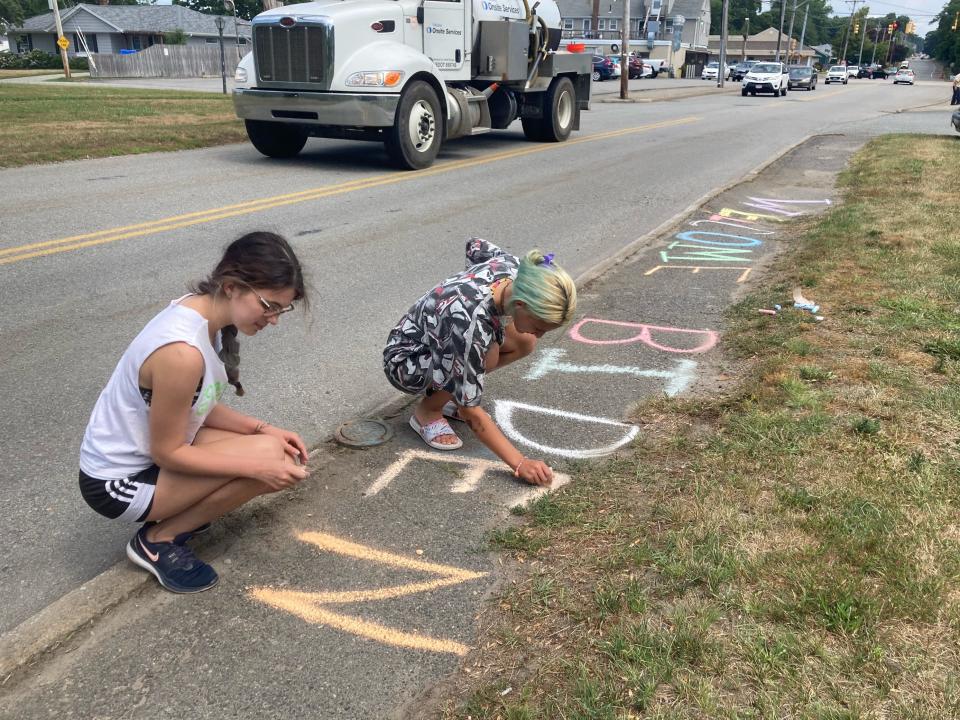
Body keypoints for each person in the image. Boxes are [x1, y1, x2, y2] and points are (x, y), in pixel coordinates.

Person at [79, 231, 310, 594]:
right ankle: (157, 540)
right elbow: (167, 452)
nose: (275, 318)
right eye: (269, 305)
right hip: (118, 483)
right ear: (232, 286)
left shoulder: (203, 313)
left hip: (149, 451)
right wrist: (257, 470)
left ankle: (184, 507)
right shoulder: (182, 352)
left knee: (273, 449)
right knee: (268, 466)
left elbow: (196, 403)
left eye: (282, 309)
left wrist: (262, 427)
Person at [383, 238, 577, 487]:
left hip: (440, 339)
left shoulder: (518, 271)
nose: (539, 334)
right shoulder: (470, 324)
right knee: (481, 359)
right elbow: (472, 413)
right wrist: (520, 463)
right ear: (520, 304)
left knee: (523, 342)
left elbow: (475, 246)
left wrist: (466, 283)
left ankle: (448, 395)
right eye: (539, 326)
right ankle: (428, 413)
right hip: (406, 360)